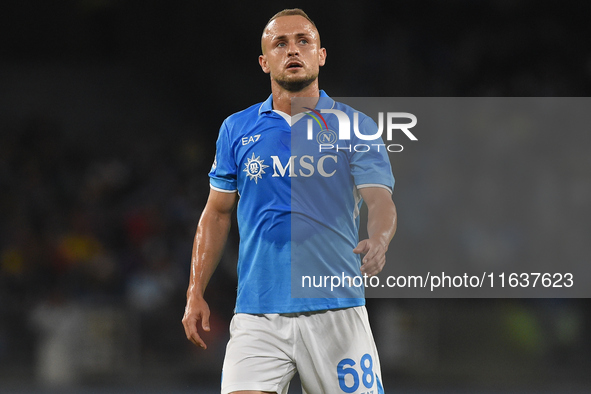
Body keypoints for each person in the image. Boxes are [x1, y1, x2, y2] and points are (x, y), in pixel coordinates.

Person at [182, 8, 397, 394]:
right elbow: (216, 213)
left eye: (303, 41)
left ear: (321, 54)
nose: (292, 50)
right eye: (280, 43)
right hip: (258, 313)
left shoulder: (355, 126)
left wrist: (379, 240)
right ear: (265, 62)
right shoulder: (237, 128)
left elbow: (380, 200)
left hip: (335, 309)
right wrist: (195, 290)